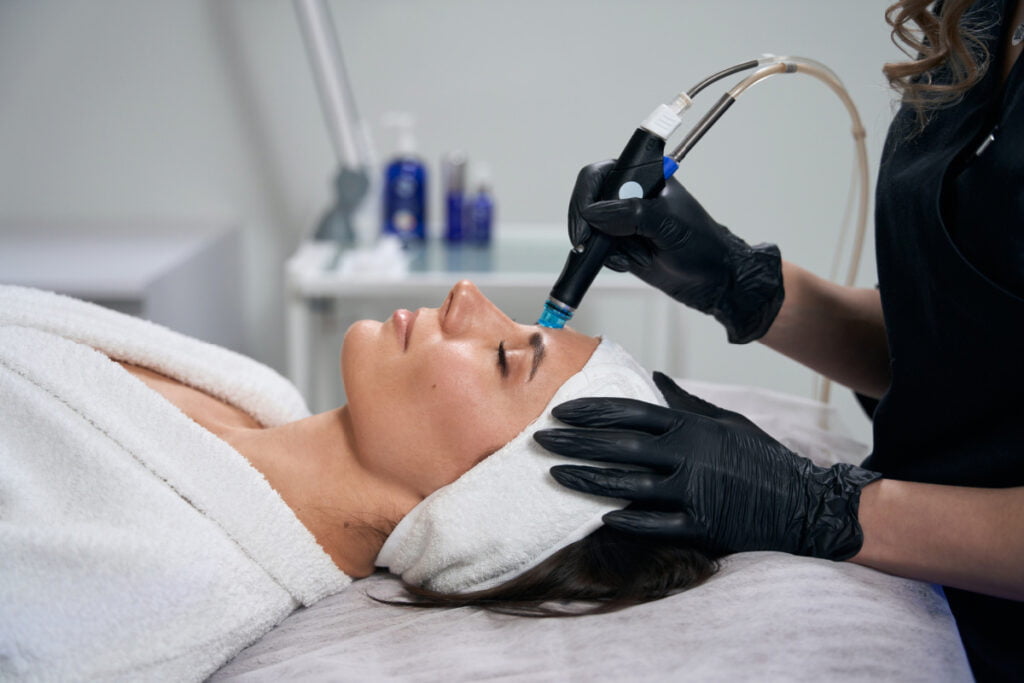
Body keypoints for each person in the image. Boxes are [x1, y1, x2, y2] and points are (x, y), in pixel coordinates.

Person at [537, 0, 1023, 679]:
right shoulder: (979, 19)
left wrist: (825, 508)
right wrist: (739, 281)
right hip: (921, 597)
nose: (464, 301)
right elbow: (974, 353)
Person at [0, 281, 718, 680]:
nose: (466, 295)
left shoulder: (159, 588)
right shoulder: (255, 395)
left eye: (504, 357)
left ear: (483, 503)